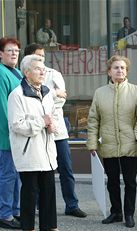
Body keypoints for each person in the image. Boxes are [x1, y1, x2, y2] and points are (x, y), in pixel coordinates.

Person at [24, 43, 87, 218]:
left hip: (56, 129)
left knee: (66, 168)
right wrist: (52, 94)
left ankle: (71, 204)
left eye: (43, 56)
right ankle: (38, 206)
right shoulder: (26, 76)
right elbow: (29, 100)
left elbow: (62, 98)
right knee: (39, 170)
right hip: (38, 131)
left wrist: (46, 100)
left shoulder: (54, 74)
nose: (42, 60)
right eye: (38, 56)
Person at [8, 54, 67, 231]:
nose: (42, 71)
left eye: (43, 68)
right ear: (26, 72)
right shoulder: (17, 95)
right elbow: (16, 125)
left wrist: (52, 126)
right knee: (30, 190)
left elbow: (54, 115)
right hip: (29, 150)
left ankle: (49, 225)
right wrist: (41, 122)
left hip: (47, 149)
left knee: (49, 188)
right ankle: (29, 227)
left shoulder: (48, 92)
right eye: (37, 68)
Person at [87, 55, 137, 228]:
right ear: (109, 72)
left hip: (130, 143)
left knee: (130, 182)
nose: (119, 70)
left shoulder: (136, 91)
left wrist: (136, 135)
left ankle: (129, 213)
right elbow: (93, 120)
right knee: (112, 181)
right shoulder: (100, 93)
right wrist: (92, 143)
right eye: (116, 68)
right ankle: (116, 212)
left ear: (127, 71)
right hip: (108, 143)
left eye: (122, 68)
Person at [0, 37, 22, 230]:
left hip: (17, 133)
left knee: (16, 176)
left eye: (16, 51)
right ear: (0, 53)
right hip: (6, 134)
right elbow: (1, 108)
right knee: (7, 175)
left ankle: (15, 212)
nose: (14, 54)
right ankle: (6, 215)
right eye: (9, 50)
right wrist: (13, 131)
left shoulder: (16, 72)